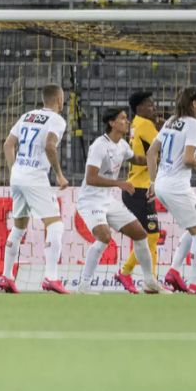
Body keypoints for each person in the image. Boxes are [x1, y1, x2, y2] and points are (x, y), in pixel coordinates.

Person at [76, 107, 165, 294]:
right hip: (90, 200)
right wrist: (120, 183)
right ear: (112, 123)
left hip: (107, 201)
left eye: (127, 118)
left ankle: (149, 281)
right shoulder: (99, 146)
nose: (128, 122)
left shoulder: (123, 145)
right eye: (123, 118)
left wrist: (158, 148)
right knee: (104, 237)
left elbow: (139, 159)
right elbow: (91, 178)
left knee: (141, 234)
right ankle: (84, 285)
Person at [0, 84, 70, 294]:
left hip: (18, 175)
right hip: (36, 177)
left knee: (19, 227)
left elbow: (7, 145)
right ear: (58, 100)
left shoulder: (27, 116)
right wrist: (59, 174)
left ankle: (6, 276)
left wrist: (15, 171)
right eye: (63, 98)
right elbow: (50, 146)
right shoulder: (57, 120)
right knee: (55, 225)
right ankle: (51, 277)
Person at [147, 87, 196, 295]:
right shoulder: (194, 124)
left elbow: (151, 152)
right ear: (194, 103)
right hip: (177, 186)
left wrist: (153, 182)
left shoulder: (171, 121)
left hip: (163, 184)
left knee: (192, 229)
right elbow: (188, 159)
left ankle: (173, 272)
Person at [116, 91, 161, 294]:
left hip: (136, 187)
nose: (154, 107)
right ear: (140, 108)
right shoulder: (145, 125)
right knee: (150, 235)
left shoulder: (136, 124)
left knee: (150, 235)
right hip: (140, 188)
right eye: (149, 104)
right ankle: (131, 274)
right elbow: (162, 149)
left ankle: (147, 280)